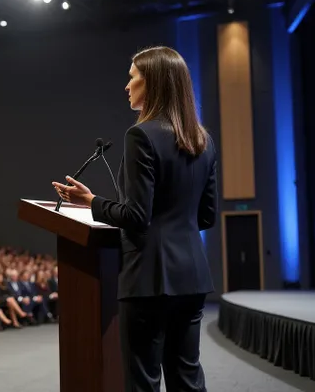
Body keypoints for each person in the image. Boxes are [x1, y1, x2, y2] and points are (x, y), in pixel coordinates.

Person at [52, 46, 217, 392]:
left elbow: (136, 216)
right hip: (193, 278)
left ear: (153, 82)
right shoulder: (203, 140)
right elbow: (206, 216)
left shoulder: (140, 135)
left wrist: (91, 202)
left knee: (142, 382)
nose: (127, 87)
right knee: (188, 379)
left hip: (148, 280)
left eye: (132, 78)